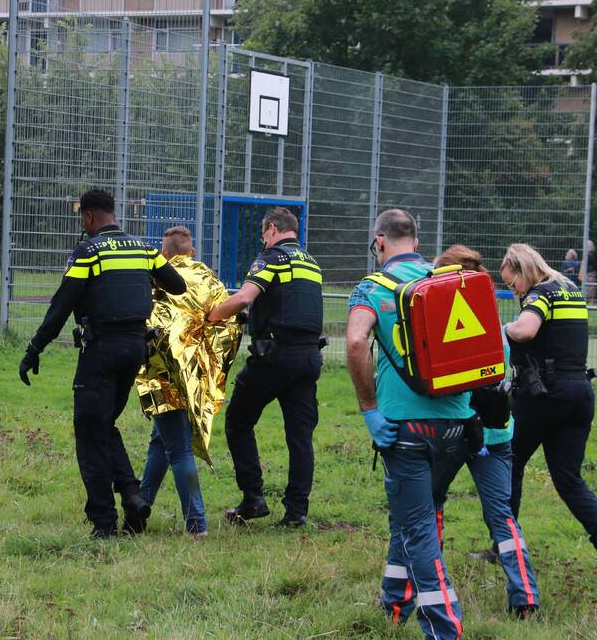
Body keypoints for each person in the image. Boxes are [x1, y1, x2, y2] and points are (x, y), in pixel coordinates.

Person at [18, 189, 187, 539]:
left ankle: (104, 522)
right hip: (135, 349)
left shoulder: (88, 251)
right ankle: (132, 495)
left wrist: (35, 348)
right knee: (103, 424)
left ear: (89, 216)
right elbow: (177, 285)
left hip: (101, 350)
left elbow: (61, 306)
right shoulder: (143, 250)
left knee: (89, 432)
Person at [345, 210, 475, 639]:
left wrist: (369, 407)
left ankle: (444, 628)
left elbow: (356, 341)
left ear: (379, 241)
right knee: (416, 513)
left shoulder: (372, 288)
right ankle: (394, 602)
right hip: (458, 426)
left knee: (418, 528)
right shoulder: (449, 280)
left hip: (405, 429)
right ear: (416, 240)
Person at [500, 243, 597, 576]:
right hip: (579, 393)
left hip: (542, 394)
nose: (513, 290)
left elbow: (526, 330)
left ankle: (504, 544)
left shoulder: (539, 294)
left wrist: (503, 329)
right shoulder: (571, 290)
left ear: (523, 269)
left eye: (511, 282)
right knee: (569, 479)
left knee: (509, 464)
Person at [433, 245, 540, 617]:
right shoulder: (495, 326)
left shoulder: (442, 323)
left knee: (431, 503)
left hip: (453, 430)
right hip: (496, 433)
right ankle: (526, 598)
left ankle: (431, 582)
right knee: (502, 517)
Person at [206, 206, 324, 528]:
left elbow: (244, 297)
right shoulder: (310, 262)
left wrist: (210, 317)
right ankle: (296, 512)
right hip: (308, 358)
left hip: (275, 358)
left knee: (238, 421)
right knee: (300, 438)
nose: (263, 240)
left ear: (272, 228)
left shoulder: (272, 257)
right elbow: (287, 308)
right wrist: (251, 319)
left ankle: (253, 498)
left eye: (263, 234)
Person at [136, 226, 242, 537]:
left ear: (163, 253)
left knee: (179, 448)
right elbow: (229, 320)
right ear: (192, 252)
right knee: (161, 443)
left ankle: (197, 524)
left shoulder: (155, 276)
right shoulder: (208, 278)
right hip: (195, 373)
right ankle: (139, 509)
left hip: (162, 372)